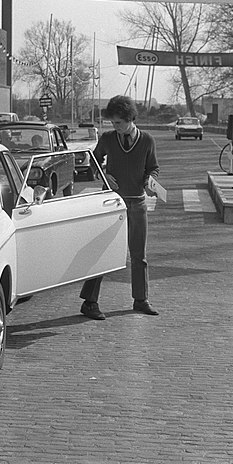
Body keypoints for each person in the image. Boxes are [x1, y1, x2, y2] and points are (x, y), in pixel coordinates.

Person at [79, 95, 160, 320]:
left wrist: (150, 181)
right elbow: (94, 163)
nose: (115, 127)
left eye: (119, 123)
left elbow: (153, 168)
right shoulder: (107, 139)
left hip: (137, 202)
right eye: (113, 123)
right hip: (113, 203)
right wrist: (103, 174)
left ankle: (140, 300)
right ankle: (89, 302)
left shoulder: (147, 141)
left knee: (138, 254)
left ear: (130, 118)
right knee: (103, 251)